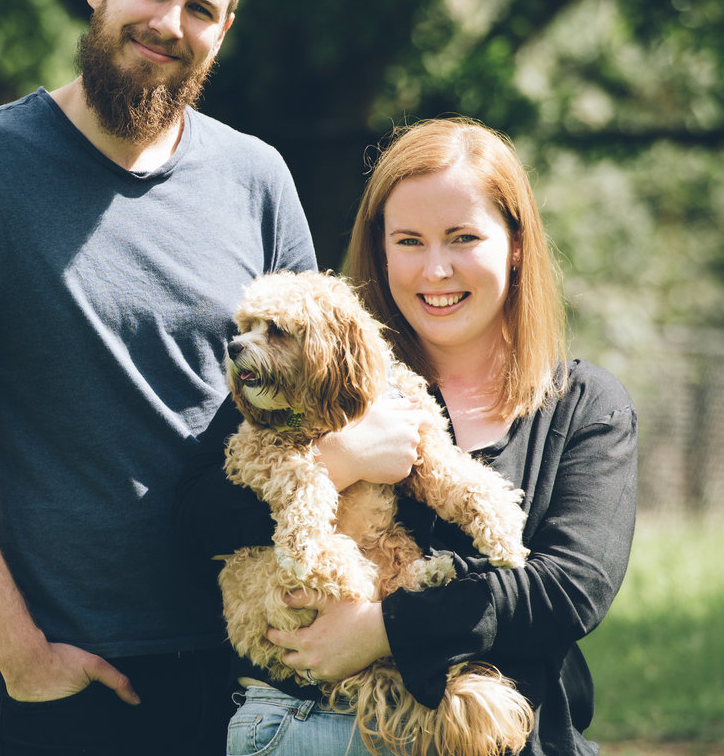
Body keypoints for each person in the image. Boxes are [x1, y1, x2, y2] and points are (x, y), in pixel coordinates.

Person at [0, 0, 321, 753]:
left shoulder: (257, 178)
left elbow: (321, 404)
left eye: (201, 7)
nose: (169, 22)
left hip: (264, 664)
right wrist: (22, 656)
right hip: (77, 680)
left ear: (222, 34)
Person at [175, 117, 638, 756]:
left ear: (515, 245)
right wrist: (338, 460)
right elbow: (193, 520)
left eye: (463, 237)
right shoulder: (319, 371)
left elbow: (570, 587)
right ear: (382, 249)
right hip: (319, 731)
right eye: (410, 241)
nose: (436, 269)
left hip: (510, 737)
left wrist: (384, 629)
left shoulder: (585, 407)